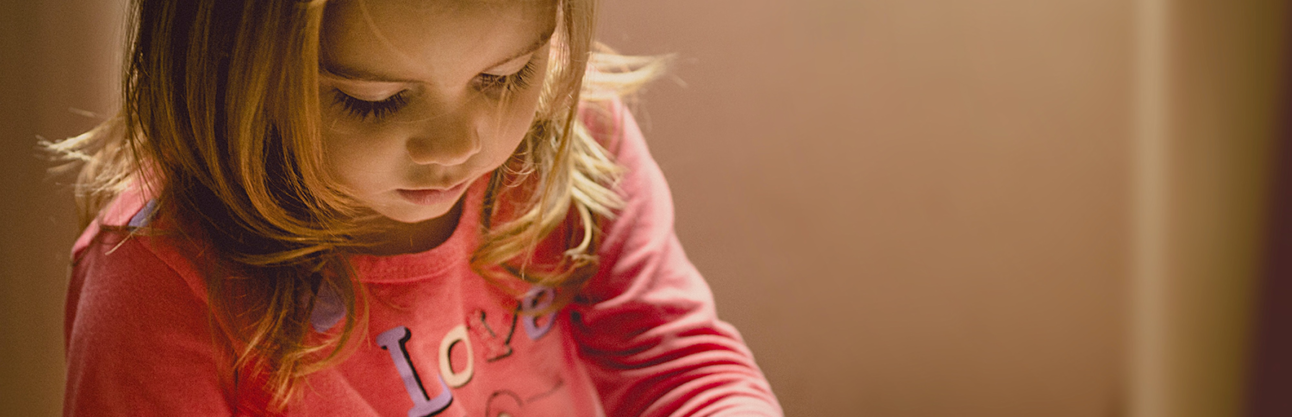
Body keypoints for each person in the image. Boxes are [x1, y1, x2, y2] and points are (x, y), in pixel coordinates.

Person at [49, 0, 781, 415]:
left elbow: (685, 368)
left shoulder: (573, 141)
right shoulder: (155, 285)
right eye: (375, 100)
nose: (459, 144)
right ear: (223, 67)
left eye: (504, 76)